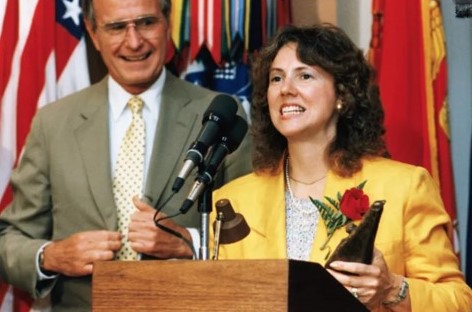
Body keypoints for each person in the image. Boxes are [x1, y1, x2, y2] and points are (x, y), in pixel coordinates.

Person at [0, 0, 251, 311]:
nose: (134, 42)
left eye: (146, 23)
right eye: (117, 27)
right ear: (92, 33)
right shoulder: (53, 123)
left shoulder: (219, 114)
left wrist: (188, 242)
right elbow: (9, 238)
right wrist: (51, 255)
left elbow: (254, 235)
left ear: (167, 22)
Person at [211, 24, 472, 311]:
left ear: (342, 95)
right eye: (276, 78)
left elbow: (459, 301)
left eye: (305, 75)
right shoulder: (232, 200)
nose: (286, 89)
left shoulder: (405, 186)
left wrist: (391, 288)